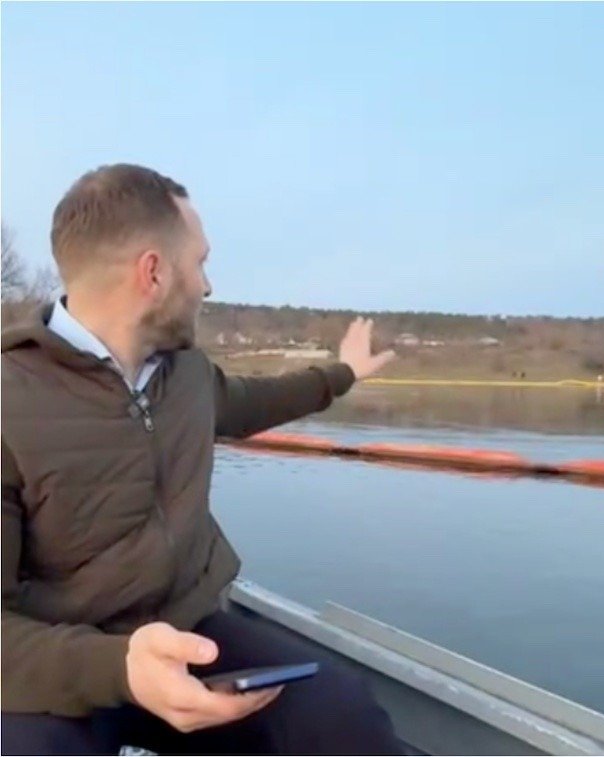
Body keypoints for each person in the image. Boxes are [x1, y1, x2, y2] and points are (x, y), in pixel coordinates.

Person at [1, 165, 403, 754]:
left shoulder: (185, 373)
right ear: (154, 272)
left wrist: (342, 375)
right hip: (60, 669)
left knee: (343, 718)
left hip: (191, 633)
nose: (208, 286)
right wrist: (121, 667)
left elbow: (253, 401)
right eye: (200, 262)